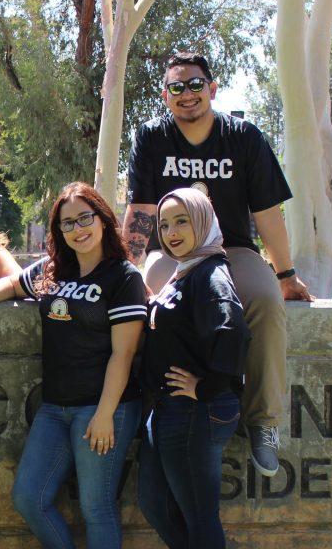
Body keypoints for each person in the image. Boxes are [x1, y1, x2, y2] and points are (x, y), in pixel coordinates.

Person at [121, 52, 313, 478]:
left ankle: (262, 421)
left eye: (194, 84)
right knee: (145, 304)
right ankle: (144, 403)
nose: (186, 94)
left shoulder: (243, 137)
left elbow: (267, 213)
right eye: (176, 87)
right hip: (168, 253)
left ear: (212, 88)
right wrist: (125, 271)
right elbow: (141, 213)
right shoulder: (151, 138)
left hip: (232, 251)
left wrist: (284, 275)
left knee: (264, 301)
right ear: (165, 95)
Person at [0, 182, 146, 549]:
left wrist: (106, 413)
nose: (78, 228)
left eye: (86, 217)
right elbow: (11, 283)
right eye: (67, 222)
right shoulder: (52, 271)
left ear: (104, 219)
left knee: (96, 507)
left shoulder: (123, 277)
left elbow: (123, 355)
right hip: (55, 407)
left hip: (103, 409)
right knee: (29, 496)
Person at [136, 187, 250, 549]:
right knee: (154, 502)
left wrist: (207, 386)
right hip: (167, 410)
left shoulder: (211, 274)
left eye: (182, 221)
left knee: (198, 511)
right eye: (165, 224)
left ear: (202, 221)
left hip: (195, 412)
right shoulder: (187, 271)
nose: (172, 232)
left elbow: (232, 330)